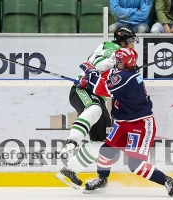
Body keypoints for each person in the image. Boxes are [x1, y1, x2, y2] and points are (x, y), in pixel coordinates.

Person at [78, 48, 173, 197]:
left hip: (139, 124)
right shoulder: (123, 73)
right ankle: (102, 179)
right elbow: (109, 76)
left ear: (126, 63)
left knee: (135, 164)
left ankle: (168, 181)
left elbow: (101, 89)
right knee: (105, 150)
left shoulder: (128, 78)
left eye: (120, 62)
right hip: (122, 122)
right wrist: (89, 80)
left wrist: (90, 72)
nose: (117, 63)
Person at [55, 28, 139, 189]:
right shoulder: (113, 49)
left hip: (97, 94)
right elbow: (101, 62)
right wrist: (114, 64)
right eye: (131, 42)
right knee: (94, 108)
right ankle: (72, 140)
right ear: (123, 42)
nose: (133, 45)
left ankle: (69, 170)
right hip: (83, 90)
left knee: (101, 142)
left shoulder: (123, 56)